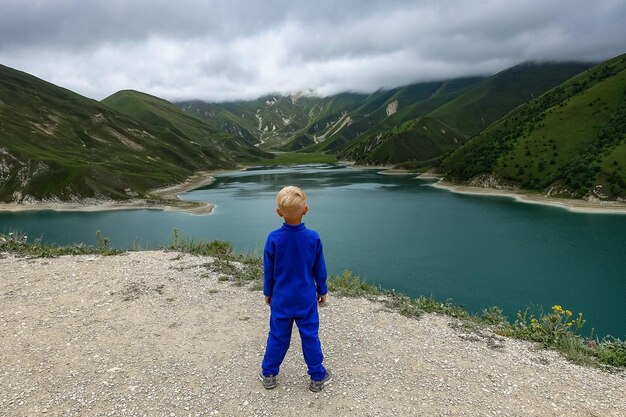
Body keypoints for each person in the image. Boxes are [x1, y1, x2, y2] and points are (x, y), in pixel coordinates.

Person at [259, 186, 332, 393]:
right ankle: (317, 377)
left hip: (281, 299)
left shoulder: (273, 238)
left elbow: (269, 270)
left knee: (278, 337)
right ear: (306, 210)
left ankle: (269, 374)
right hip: (306, 298)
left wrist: (268, 292)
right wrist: (322, 290)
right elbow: (320, 269)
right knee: (310, 336)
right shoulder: (313, 238)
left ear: (279, 213)